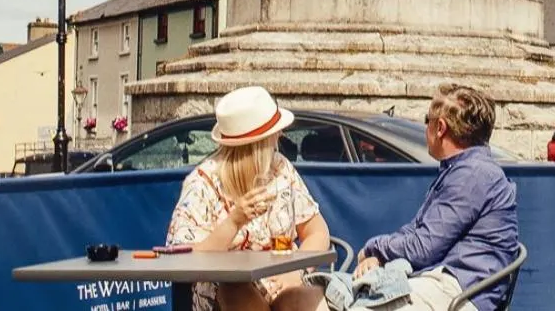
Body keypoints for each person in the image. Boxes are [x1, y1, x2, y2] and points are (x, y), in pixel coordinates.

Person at [355, 82, 519, 311]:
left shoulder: (472, 174)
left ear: (440, 127)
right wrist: (379, 256)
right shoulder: (461, 170)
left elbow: (423, 248)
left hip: (459, 290)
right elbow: (417, 230)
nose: (426, 127)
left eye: (427, 120)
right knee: (321, 297)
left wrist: (373, 248)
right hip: (441, 282)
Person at [166, 85, 330, 311]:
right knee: (237, 291)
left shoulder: (280, 168)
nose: (281, 135)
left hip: (281, 280)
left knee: (308, 300)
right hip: (225, 292)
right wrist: (234, 222)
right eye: (275, 132)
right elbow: (185, 261)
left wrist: (297, 271)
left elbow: (317, 231)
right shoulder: (203, 183)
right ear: (259, 143)